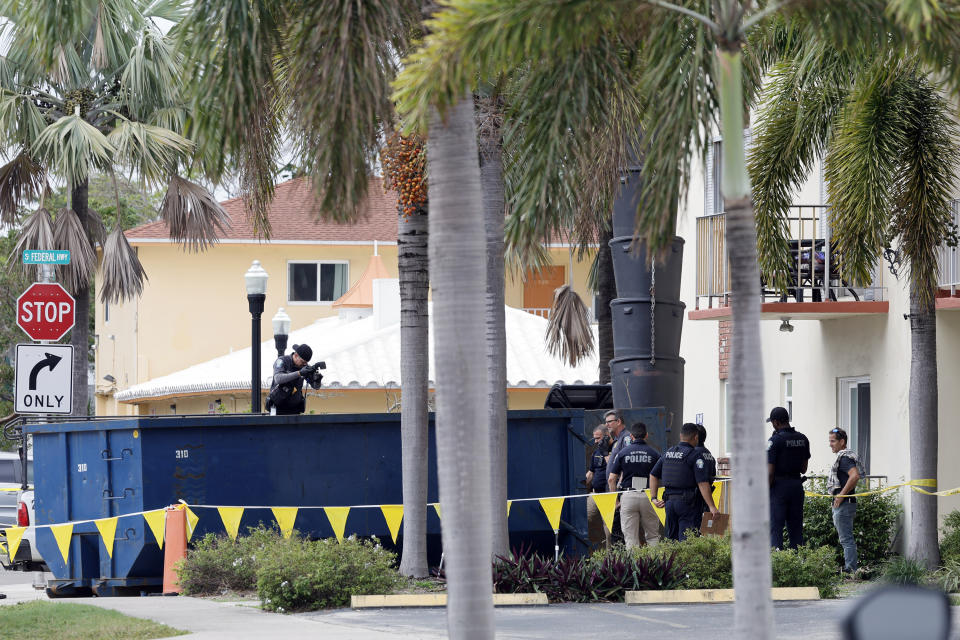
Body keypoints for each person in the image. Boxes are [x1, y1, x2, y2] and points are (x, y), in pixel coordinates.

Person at [649, 422, 718, 541]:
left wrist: (653, 498)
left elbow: (653, 475)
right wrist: (712, 506)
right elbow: (702, 483)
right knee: (688, 541)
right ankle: (684, 561)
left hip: (669, 503)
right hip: (688, 504)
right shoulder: (695, 455)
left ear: (681, 435)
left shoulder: (668, 453)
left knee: (672, 540)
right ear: (696, 437)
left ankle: (672, 560)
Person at [608, 422, 662, 548]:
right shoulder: (654, 454)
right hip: (648, 496)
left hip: (628, 496)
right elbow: (661, 475)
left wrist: (615, 501)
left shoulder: (622, 453)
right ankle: (657, 566)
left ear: (631, 436)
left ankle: (635, 566)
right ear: (646, 435)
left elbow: (611, 479)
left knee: (630, 538)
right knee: (653, 536)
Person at [767, 406, 810, 549]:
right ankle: (797, 563)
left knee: (776, 528)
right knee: (796, 528)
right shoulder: (803, 439)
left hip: (779, 487)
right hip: (797, 486)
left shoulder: (774, 441)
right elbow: (804, 469)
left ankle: (777, 563)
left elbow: (770, 472)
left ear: (776, 422)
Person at [828, 427, 863, 574]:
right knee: (846, 539)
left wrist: (841, 495)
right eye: (829, 441)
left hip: (844, 505)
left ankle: (851, 570)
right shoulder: (843, 457)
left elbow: (854, 476)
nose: (830, 444)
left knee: (846, 539)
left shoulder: (844, 458)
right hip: (845, 504)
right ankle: (850, 568)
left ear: (842, 442)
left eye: (833, 441)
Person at [266, 343, 322, 415]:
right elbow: (278, 378)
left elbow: (315, 387)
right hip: (277, 408)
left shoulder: (304, 366)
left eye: (306, 363)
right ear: (295, 356)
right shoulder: (282, 361)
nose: (304, 364)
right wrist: (299, 373)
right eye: (302, 362)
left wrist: (317, 379)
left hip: (295, 409)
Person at [603, 410, 631, 544]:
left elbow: (628, 461)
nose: (606, 425)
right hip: (614, 489)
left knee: (618, 529)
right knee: (614, 528)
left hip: (620, 490)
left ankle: (620, 561)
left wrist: (619, 483)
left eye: (609, 422)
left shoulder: (626, 438)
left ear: (618, 421)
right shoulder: (617, 440)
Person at [586, 426, 612, 549]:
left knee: (608, 526)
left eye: (598, 438)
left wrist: (605, 452)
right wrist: (581, 486)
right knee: (583, 519)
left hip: (608, 495)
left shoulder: (614, 450)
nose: (596, 441)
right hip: (595, 494)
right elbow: (591, 473)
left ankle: (609, 555)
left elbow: (614, 469)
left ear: (607, 436)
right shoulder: (596, 452)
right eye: (594, 438)